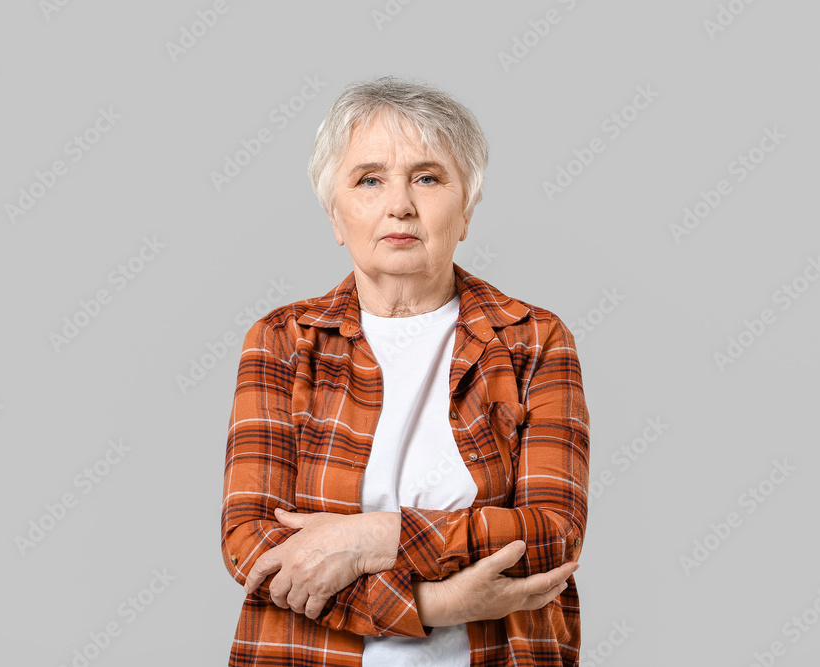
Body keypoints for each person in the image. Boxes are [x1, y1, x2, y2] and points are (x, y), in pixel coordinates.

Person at [220, 75, 590, 667]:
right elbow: (252, 548)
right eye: (369, 179)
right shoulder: (283, 341)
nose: (400, 204)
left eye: (427, 177)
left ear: (465, 209)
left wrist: (374, 536)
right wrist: (436, 604)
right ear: (336, 216)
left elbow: (552, 533)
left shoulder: (532, 339)